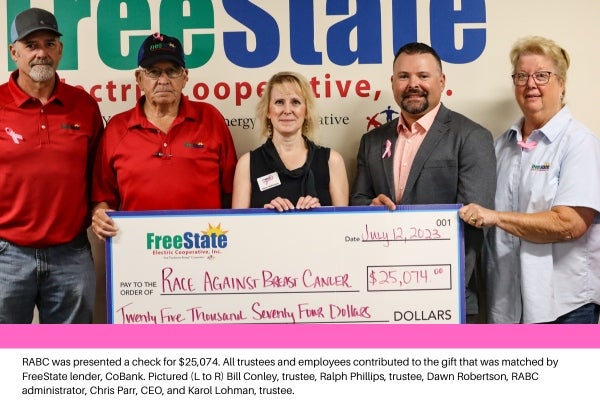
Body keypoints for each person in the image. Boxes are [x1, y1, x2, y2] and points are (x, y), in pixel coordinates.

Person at [459, 36, 600, 324]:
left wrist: (496, 217)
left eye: (542, 75)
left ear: (561, 84)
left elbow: (569, 224)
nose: (530, 84)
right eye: (521, 76)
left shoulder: (579, 143)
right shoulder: (500, 147)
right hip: (506, 304)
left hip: (564, 309)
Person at [350, 42, 496, 321]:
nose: (413, 84)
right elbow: (356, 202)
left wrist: (440, 287)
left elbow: (476, 225)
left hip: (447, 295)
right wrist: (370, 205)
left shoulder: (471, 137)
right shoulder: (372, 141)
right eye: (404, 76)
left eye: (423, 76)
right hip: (382, 293)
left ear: (441, 82)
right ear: (393, 83)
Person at [0, 8, 104, 323]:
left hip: (70, 255)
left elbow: (97, 176)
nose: (41, 53)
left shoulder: (84, 106)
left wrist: (100, 207)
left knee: (67, 355)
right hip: (7, 255)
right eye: (31, 45)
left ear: (59, 50)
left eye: (49, 43)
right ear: (14, 52)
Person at [91, 32, 237, 239]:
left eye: (172, 71)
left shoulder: (210, 119)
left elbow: (232, 191)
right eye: (153, 72)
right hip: (140, 248)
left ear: (185, 76)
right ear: (139, 78)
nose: (163, 80)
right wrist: (100, 215)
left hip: (205, 248)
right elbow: (102, 198)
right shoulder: (117, 128)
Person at [232, 71, 348, 211]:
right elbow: (239, 227)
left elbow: (342, 226)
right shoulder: (247, 164)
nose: (287, 110)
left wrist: (318, 213)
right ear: (268, 111)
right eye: (279, 102)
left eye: (295, 102)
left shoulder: (332, 161)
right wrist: (265, 215)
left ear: (306, 111)